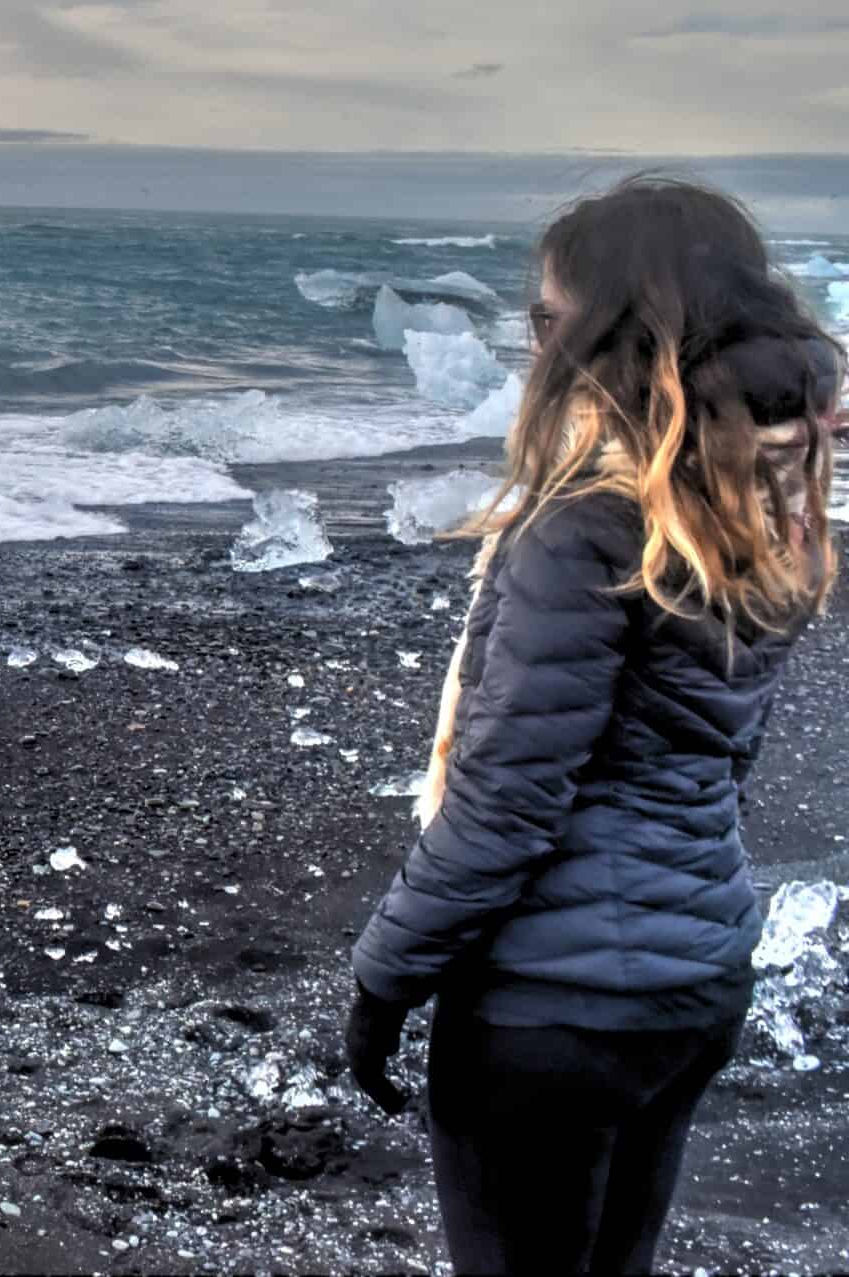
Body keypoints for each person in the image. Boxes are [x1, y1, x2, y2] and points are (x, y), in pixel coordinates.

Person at [345, 175, 843, 1275]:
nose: (531, 346)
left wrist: (383, 977)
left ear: (608, 334)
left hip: (553, 1016)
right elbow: (722, 759)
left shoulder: (583, 530)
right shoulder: (749, 517)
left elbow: (508, 798)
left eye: (543, 317)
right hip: (698, 982)